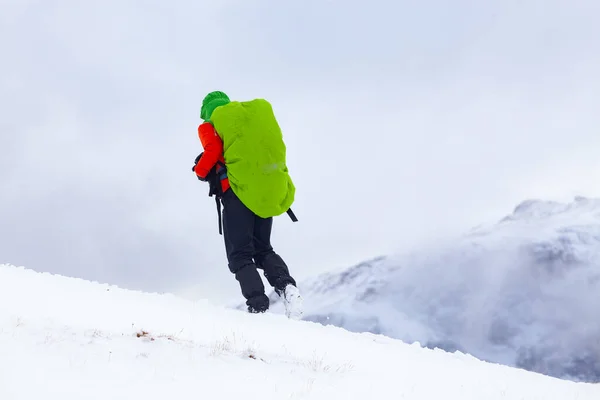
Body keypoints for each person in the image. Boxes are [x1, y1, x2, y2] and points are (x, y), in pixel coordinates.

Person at [192, 90, 303, 319]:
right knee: (263, 249)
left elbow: (213, 151)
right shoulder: (242, 123)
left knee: (240, 254)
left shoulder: (211, 126)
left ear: (207, 112)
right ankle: (287, 288)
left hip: (237, 196)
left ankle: (258, 307)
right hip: (262, 193)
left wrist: (200, 171)